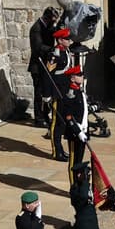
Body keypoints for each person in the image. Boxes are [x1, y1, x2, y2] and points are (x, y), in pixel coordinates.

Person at [28, 7, 62, 128]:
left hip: (47, 64)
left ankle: (46, 115)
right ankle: (38, 118)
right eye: (52, 21)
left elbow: (54, 33)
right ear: (46, 18)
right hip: (37, 65)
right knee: (39, 92)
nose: (53, 23)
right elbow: (38, 47)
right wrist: (52, 49)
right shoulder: (36, 28)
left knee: (47, 91)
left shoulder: (48, 26)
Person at [45, 29, 74, 160]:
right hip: (57, 92)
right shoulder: (54, 54)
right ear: (60, 40)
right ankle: (57, 151)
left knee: (63, 123)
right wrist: (47, 94)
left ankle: (61, 149)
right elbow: (48, 76)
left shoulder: (66, 51)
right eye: (67, 39)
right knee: (56, 123)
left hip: (65, 90)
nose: (69, 41)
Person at [59, 65, 91, 180]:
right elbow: (69, 116)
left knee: (80, 160)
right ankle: (73, 185)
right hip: (75, 133)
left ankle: (78, 183)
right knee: (74, 161)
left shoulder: (79, 91)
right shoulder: (70, 93)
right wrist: (78, 132)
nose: (82, 77)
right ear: (72, 78)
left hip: (83, 130)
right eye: (79, 75)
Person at [68, 162, 102, 229]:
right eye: (78, 173)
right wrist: (84, 182)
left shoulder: (89, 185)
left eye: (81, 173)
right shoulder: (75, 188)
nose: (79, 175)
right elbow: (83, 197)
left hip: (92, 220)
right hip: (83, 221)